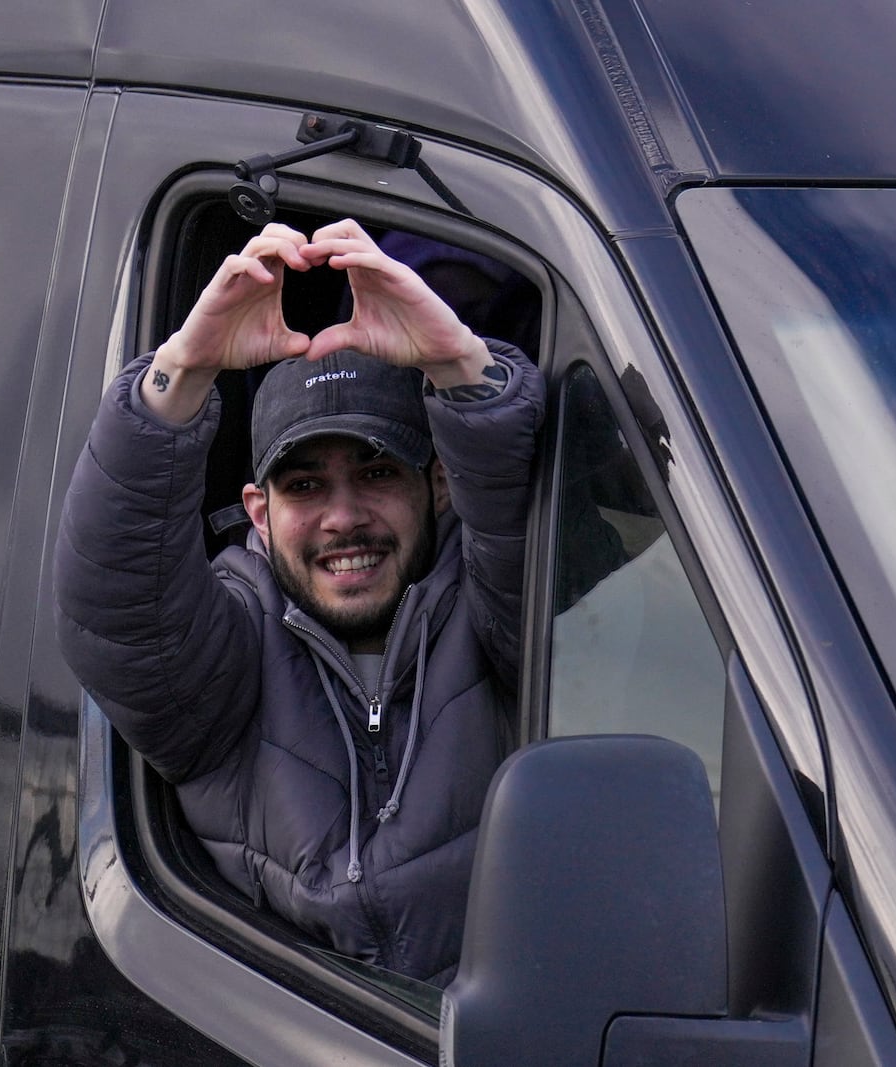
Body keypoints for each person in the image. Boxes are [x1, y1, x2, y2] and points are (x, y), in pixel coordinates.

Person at [54, 218, 544, 985]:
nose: (343, 515)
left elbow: (532, 537)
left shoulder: (495, 610)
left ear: (439, 486)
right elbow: (115, 610)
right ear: (258, 510)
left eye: (378, 472)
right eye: (305, 484)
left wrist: (456, 361)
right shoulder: (233, 638)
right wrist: (182, 371)